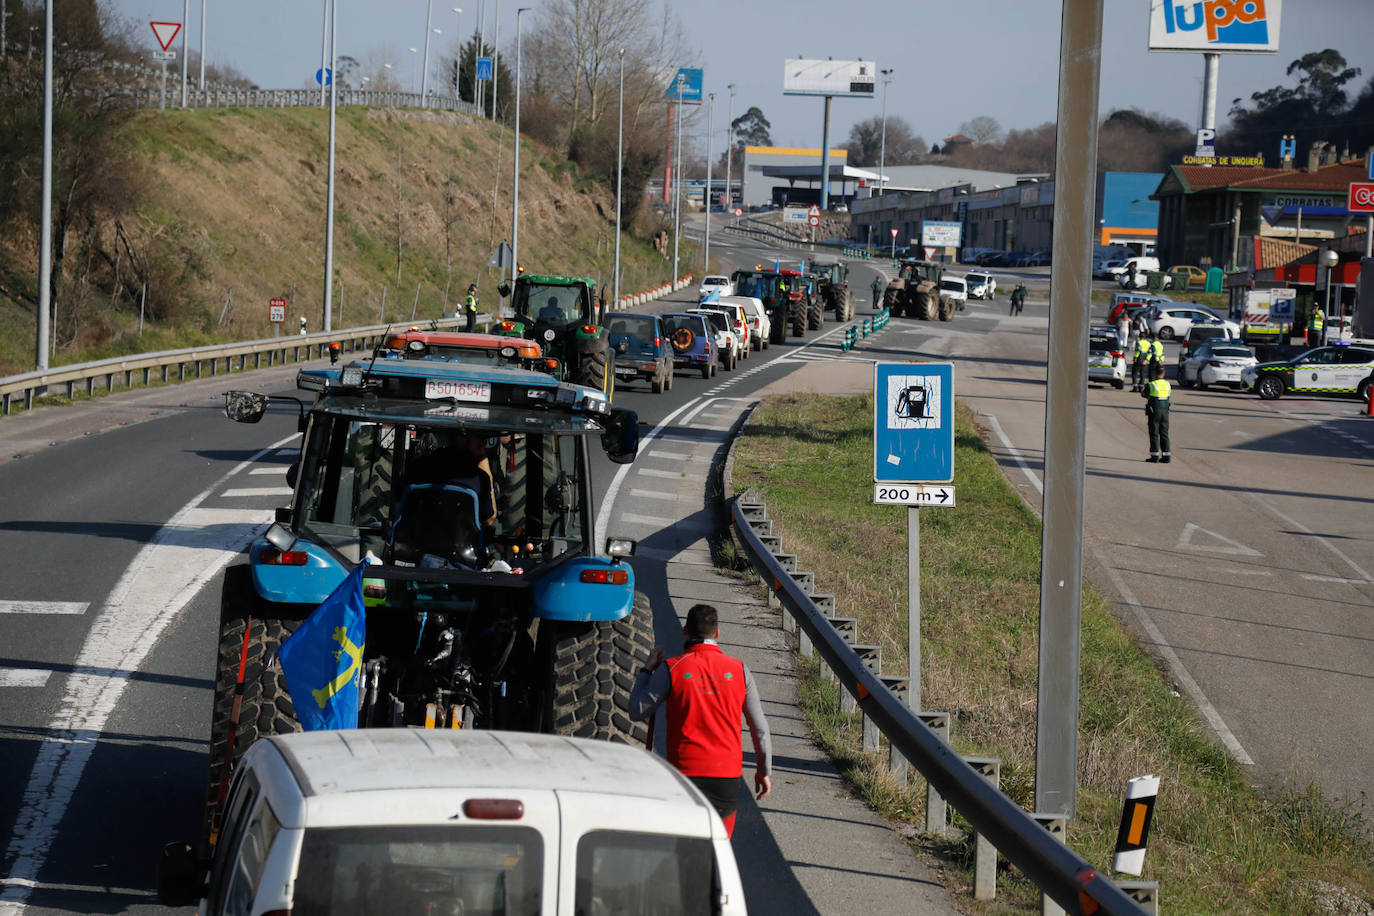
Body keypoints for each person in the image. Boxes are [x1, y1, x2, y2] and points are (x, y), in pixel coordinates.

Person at [630, 604, 772, 838]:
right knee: (719, 849)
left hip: (684, 776)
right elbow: (761, 730)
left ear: (685, 631)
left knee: (684, 849)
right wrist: (763, 771)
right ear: (717, 633)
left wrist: (646, 671)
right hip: (725, 779)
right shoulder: (740, 670)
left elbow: (637, 710)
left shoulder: (672, 668)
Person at [1142, 364, 1171, 463]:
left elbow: (1144, 394)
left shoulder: (1152, 384)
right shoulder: (1168, 384)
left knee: (1154, 433)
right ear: (1164, 373)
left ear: (1155, 373)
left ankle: (1155, 456)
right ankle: (1166, 456)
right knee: (1164, 433)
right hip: (1165, 410)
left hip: (1154, 410)